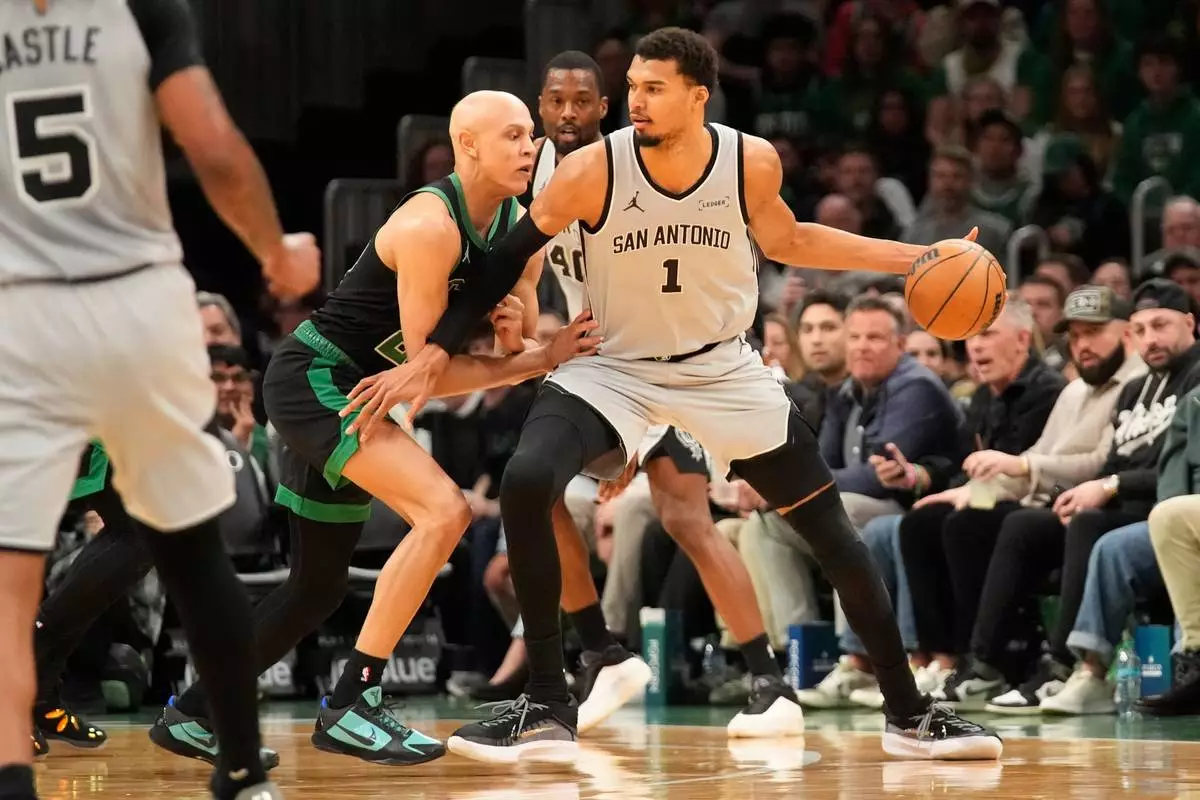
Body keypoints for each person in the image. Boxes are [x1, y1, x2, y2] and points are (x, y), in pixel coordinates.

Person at [350, 27, 1003, 764]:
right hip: (615, 366)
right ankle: (549, 704)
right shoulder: (592, 170)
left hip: (721, 369)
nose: (636, 101)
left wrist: (914, 257)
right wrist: (436, 352)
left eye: (653, 88)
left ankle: (908, 714)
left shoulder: (748, 159)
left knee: (832, 534)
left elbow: (791, 241)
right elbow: (506, 262)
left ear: (699, 96)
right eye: (632, 87)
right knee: (527, 481)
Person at [148, 90, 598, 768]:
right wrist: (532, 359)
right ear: (468, 146)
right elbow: (427, 376)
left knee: (316, 588)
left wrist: (519, 343)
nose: (529, 148)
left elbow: (517, 343)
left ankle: (194, 712)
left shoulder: (521, 230)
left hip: (360, 393)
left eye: (529, 135)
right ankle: (352, 701)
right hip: (317, 379)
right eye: (512, 135)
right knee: (444, 512)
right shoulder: (429, 226)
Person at [0, 1, 321, 798]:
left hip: (22, 309)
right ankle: (240, 769)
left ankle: (11, 778)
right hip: (134, 299)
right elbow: (211, 145)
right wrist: (276, 250)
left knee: (11, 576)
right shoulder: (140, 8)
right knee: (190, 549)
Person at [519, 49, 801, 738]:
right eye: (555, 100)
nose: (567, 113)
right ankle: (600, 650)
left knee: (685, 518)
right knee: (534, 488)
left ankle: (768, 680)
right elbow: (524, 273)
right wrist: (525, 336)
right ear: (539, 107)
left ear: (604, 107)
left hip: (672, 358)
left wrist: (639, 435)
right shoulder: (536, 174)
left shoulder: (636, 164)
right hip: (600, 368)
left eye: (581, 101)